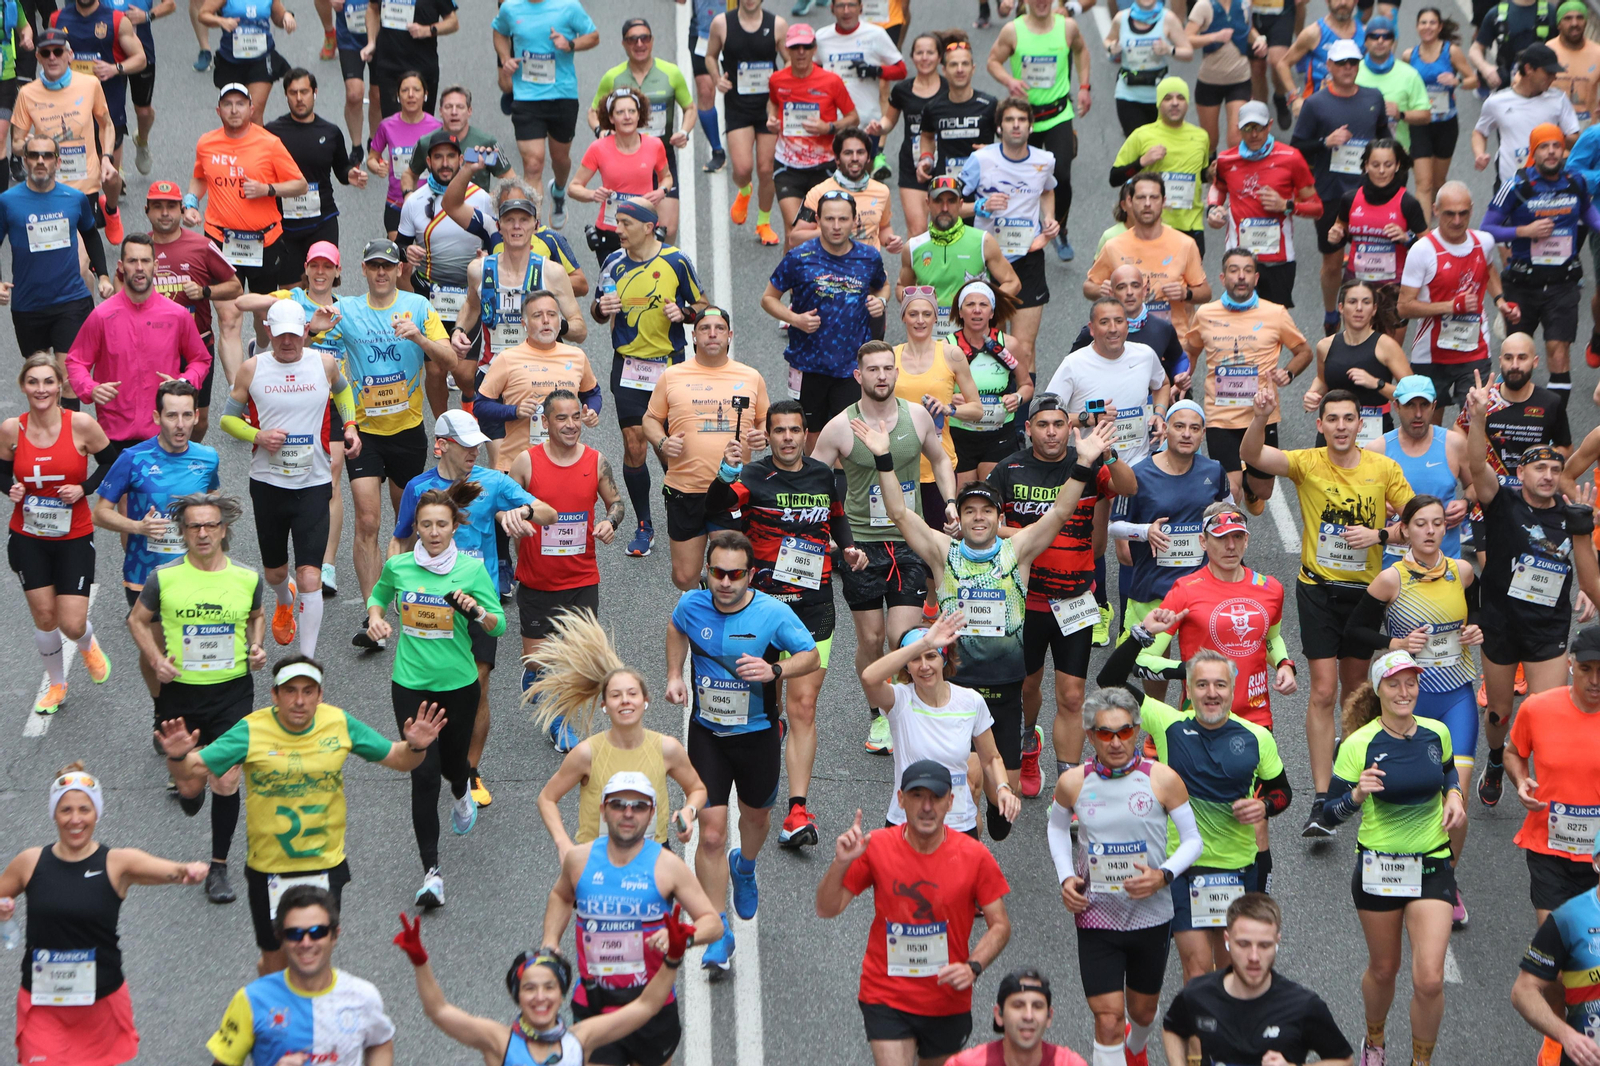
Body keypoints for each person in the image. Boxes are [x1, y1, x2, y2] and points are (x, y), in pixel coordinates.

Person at [864, 417, 1118, 818]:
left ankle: (982, 821)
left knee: (1005, 807)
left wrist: (1084, 463)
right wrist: (883, 457)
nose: (978, 518)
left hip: (1004, 687)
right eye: (970, 512)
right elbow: (899, 512)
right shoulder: (942, 552)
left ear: (998, 518)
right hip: (955, 686)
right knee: (967, 781)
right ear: (960, 519)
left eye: (986, 511)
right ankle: (965, 840)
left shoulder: (1016, 551)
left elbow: (1058, 514)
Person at [161, 655, 443, 975]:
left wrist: (416, 747)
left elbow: (397, 758)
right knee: (275, 961)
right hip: (268, 870)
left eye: (308, 691)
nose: (299, 700)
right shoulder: (251, 730)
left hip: (325, 864)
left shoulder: (338, 723)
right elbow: (190, 771)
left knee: (314, 961)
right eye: (290, 691)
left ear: (320, 696)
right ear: (274, 695)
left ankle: (306, 1019)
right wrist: (178, 755)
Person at [1241, 387, 1414, 834]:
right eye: (1331, 419)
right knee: (1322, 689)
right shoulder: (1307, 462)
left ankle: (1350, 776)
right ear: (1320, 425)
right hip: (1317, 589)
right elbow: (1253, 454)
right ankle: (1322, 798)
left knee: (1356, 691)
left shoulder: (1384, 468)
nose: (1340, 426)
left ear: (1361, 424)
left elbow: (1414, 523)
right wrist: (1260, 416)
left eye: (1348, 419)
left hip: (1364, 595)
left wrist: (1378, 536)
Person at [665, 529, 820, 970]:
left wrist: (775, 669)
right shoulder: (690, 606)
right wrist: (675, 675)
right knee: (711, 833)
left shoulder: (772, 614)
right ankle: (716, 929)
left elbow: (809, 655)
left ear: (750, 574)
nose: (726, 582)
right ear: (707, 573)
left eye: (735, 574)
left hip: (757, 735)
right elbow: (676, 630)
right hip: (707, 734)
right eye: (717, 573)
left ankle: (745, 866)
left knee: (756, 819)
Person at [708, 399, 861, 846]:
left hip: (813, 606)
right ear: (769, 435)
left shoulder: (824, 475)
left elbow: (836, 516)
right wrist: (726, 472)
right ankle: (769, 723)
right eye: (780, 431)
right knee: (769, 699)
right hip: (763, 609)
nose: (789, 438)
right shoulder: (753, 477)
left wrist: (847, 548)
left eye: (796, 430)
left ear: (805, 434)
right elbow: (717, 512)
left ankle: (797, 810)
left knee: (804, 706)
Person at [0, 764, 207, 1066]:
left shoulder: (116, 863)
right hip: (43, 1004)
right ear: (54, 814)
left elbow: (168, 871)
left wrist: (186, 870)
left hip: (100, 1002)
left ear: (96, 813)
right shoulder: (29, 862)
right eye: (65, 810)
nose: (75, 819)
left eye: (84, 809)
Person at [391, 410, 549, 804]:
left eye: (478, 444)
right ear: (441, 444)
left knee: (477, 687)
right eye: (466, 445)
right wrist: (393, 590)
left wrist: (522, 511)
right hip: (429, 601)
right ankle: (433, 753)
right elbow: (400, 540)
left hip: (477, 603)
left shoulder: (493, 481)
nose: (475, 451)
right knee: (431, 687)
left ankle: (470, 769)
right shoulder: (418, 487)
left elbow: (549, 512)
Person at [1317, 650, 1465, 1066]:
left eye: (1411, 683)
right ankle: (1375, 1042)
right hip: (1379, 868)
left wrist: (1454, 794)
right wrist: (1356, 795)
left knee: (1430, 979)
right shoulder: (1358, 744)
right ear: (1378, 690)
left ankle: (1421, 1061)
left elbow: (1449, 771)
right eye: (1394, 684)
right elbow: (1329, 813)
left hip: (1433, 862)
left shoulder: (1437, 732)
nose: (1405, 692)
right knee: (1384, 970)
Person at [810, 341, 955, 756]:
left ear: (895, 372)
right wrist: (834, 542)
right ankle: (880, 716)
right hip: (861, 545)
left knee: (903, 636)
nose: (881, 376)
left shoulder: (916, 416)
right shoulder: (840, 427)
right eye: (872, 369)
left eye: (888, 369)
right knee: (872, 640)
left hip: (909, 539)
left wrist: (948, 502)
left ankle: (910, 711)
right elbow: (817, 481)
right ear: (859, 376)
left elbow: (941, 460)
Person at [817, 762, 1012, 1065]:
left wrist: (973, 966)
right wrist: (840, 863)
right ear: (900, 799)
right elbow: (827, 908)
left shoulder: (974, 856)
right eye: (916, 795)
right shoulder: (877, 845)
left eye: (935, 797)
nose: (925, 807)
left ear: (950, 801)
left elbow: (1000, 925)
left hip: (947, 999)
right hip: (885, 994)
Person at [1345, 494, 1482, 926]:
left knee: (1456, 796)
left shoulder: (1461, 571)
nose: (1428, 531)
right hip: (1409, 703)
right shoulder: (1392, 579)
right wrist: (1396, 644)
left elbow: (1476, 612)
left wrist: (1475, 629)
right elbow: (1354, 631)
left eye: (1437, 523)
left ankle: (1447, 880)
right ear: (1404, 529)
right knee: (1410, 791)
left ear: (1446, 529)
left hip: (1456, 694)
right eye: (1420, 523)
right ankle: (1398, 864)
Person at [1465, 373, 1600, 811]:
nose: (1548, 475)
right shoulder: (1501, 500)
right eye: (1538, 468)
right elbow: (1476, 467)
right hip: (1501, 623)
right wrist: (1478, 419)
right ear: (1520, 472)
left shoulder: (1569, 514)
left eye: (1555, 469)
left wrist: (1585, 530)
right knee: (1499, 713)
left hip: (1548, 630)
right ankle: (1496, 758)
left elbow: (1590, 581)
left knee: (1547, 712)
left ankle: (1546, 785)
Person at [366, 481, 503, 907]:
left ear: (454, 526)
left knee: (452, 766)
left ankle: (462, 791)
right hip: (409, 683)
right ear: (417, 528)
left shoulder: (470, 572)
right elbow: (379, 595)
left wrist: (477, 611)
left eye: (441, 524)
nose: (434, 532)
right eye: (425, 525)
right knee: (423, 774)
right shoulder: (400, 566)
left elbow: (496, 623)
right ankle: (432, 873)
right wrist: (375, 619)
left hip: (459, 686)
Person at [125, 491, 266, 904]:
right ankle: (189, 786)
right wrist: (155, 660)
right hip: (181, 695)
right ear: (183, 533)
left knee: (226, 777)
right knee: (190, 788)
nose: (203, 533)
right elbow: (136, 620)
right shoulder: (164, 578)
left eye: (210, 525)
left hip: (232, 692)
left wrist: (257, 648)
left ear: (224, 531)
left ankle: (219, 867)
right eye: (194, 526)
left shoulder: (247, 577)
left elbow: (256, 616)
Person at [988, 398, 1136, 790]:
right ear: (1029, 429)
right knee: (1028, 687)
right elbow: (984, 523)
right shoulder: (1010, 469)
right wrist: (1027, 535)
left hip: (1075, 600)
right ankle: (1028, 738)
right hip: (1025, 599)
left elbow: (1129, 486)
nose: (1051, 431)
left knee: (1072, 696)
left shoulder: (1088, 463)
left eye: (1058, 424)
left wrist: (1108, 452)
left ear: (1068, 429)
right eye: (1042, 424)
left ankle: (1068, 788)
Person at [1047, 688, 1200, 1066]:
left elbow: (1194, 842)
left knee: (1142, 1013)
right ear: (1090, 736)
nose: (1116, 742)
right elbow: (1054, 829)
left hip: (1152, 912)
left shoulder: (1163, 779)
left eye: (1124, 731)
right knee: (1109, 1018)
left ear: (1137, 731)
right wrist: (1066, 878)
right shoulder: (1073, 783)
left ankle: (1136, 1046)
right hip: (1096, 913)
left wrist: (1163, 876)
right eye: (1104, 733)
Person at [316, 237, 455, 650]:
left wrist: (420, 339)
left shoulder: (419, 307)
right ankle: (371, 612)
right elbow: (302, 351)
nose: (381, 272)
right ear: (363, 270)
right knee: (368, 521)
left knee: (407, 521)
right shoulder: (347, 311)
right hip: (364, 433)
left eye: (387, 266)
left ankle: (403, 587)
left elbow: (448, 361)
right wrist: (311, 330)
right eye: (373, 266)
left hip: (407, 430)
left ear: (398, 270)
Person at [541, 772, 723, 1066]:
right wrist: (550, 942)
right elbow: (562, 896)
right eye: (618, 804)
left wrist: (684, 937)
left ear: (651, 813)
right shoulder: (579, 859)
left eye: (639, 806)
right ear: (603, 809)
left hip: (651, 1003)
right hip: (595, 1002)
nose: (628, 813)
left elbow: (712, 922)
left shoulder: (668, 866)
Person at [393, 903, 695, 1065]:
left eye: (549, 987)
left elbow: (647, 1005)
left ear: (561, 994)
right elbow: (439, 1011)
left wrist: (673, 958)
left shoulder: (580, 1039)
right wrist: (420, 962)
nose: (540, 997)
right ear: (517, 995)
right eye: (529, 988)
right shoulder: (499, 1042)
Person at [530, 611, 704, 855]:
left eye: (632, 694)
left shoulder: (667, 748)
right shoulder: (586, 754)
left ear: (645, 700)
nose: (625, 701)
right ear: (604, 705)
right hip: (598, 861)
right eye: (615, 695)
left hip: (652, 860)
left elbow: (697, 789)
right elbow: (546, 799)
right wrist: (564, 845)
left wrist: (690, 811)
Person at [591, 198, 706, 559]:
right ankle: (644, 524)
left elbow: (704, 305)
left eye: (624, 223)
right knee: (635, 443)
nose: (618, 230)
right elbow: (597, 309)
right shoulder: (613, 263)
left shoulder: (676, 261)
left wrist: (685, 312)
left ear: (647, 226)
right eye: (617, 223)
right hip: (627, 366)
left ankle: (681, 511)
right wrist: (600, 309)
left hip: (669, 367)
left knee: (668, 447)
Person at [91, 379, 219, 696]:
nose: (180, 425)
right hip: (144, 574)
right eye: (172, 416)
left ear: (195, 417)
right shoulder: (132, 459)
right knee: (158, 654)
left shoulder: (207, 458)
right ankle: (162, 710)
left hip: (195, 571)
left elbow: (212, 505)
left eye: (187, 416)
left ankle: (189, 713)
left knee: (195, 649)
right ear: (156, 417)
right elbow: (100, 513)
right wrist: (138, 527)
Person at [512, 389, 622, 749]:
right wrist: (514, 522)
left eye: (576, 417)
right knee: (536, 664)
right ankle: (537, 681)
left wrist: (611, 522)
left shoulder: (595, 461)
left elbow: (616, 502)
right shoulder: (526, 463)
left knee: (575, 662)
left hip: (581, 578)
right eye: (561, 418)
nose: (571, 425)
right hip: (536, 581)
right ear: (545, 422)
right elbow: (505, 506)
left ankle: (560, 724)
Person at [3, 353, 110, 717]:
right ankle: (57, 684)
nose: (41, 389)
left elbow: (112, 462)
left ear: (59, 385)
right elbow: (1, 470)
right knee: (45, 616)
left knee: (72, 622)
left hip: (74, 535)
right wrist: (10, 489)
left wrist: (85, 488)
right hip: (28, 535)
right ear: (23, 386)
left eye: (48, 381)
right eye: (33, 382)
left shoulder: (80, 424)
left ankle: (86, 642)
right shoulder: (10, 429)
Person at [1133, 507, 1296, 733]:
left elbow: (1271, 637)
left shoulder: (1271, 588)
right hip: (1201, 719)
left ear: (1246, 540)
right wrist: (1189, 670)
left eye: (1237, 537)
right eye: (1221, 538)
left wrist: (1284, 664)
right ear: (1203, 541)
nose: (1231, 546)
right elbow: (1142, 659)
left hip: (1256, 720)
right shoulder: (1184, 591)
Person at [857, 608, 1017, 838]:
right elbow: (869, 678)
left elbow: (991, 758)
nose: (924, 666)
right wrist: (924, 643)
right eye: (915, 660)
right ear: (906, 667)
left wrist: (1003, 788)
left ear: (944, 659)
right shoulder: (899, 699)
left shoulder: (970, 701)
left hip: (958, 824)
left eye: (931, 656)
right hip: (906, 822)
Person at [187, 82, 309, 381]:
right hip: (219, 239)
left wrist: (267, 189)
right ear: (218, 110)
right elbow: (199, 177)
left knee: (263, 313)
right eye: (227, 104)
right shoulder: (207, 143)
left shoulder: (269, 144)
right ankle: (237, 391)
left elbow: (300, 184)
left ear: (251, 109)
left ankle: (260, 347)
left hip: (263, 240)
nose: (233, 110)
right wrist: (190, 202)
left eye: (240, 104)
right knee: (228, 319)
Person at [1109, 401, 1230, 703]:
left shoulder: (1213, 471)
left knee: (1202, 663)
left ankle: (1194, 722)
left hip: (1201, 585)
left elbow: (1230, 514)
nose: (1186, 434)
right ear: (1165, 430)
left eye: (1194, 428)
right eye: (1179, 426)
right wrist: (1144, 531)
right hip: (1153, 583)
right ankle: (1155, 727)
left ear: (1203, 434)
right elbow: (1114, 525)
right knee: (1147, 661)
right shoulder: (1139, 473)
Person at [643, 306, 770, 592]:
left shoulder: (751, 377)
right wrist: (662, 441)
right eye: (705, 328)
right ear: (695, 336)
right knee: (684, 578)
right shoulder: (672, 376)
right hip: (685, 489)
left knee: (730, 569)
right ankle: (702, 596)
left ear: (730, 336)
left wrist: (763, 435)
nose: (712, 334)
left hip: (732, 490)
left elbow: (766, 420)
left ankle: (717, 627)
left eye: (720, 329)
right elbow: (650, 419)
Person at [65, 235, 213, 474]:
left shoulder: (177, 315)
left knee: (162, 504)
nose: (139, 267)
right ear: (121, 267)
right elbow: (75, 361)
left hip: (162, 431)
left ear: (156, 266)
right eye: (132, 261)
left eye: (145, 261)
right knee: (121, 507)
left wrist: (185, 382)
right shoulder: (102, 316)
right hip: (114, 432)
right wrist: (90, 388)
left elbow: (201, 359)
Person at [448, 170, 588, 420]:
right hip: (492, 372)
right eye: (509, 220)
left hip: (540, 375)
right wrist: (458, 331)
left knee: (536, 453)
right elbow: (471, 307)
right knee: (500, 457)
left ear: (535, 225)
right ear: (499, 225)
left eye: (523, 220)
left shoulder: (552, 272)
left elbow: (580, 330)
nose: (516, 226)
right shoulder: (479, 269)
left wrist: (555, 324)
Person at [1482, 122, 1600, 414]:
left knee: (1558, 354)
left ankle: (1555, 425)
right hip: (1522, 283)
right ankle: (1513, 422)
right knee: (1517, 358)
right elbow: (1487, 229)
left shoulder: (1576, 181)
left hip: (1563, 283)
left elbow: (1589, 214)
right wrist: (1525, 231)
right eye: (1544, 147)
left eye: (1556, 146)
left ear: (1564, 150)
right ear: (1534, 151)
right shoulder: (1517, 184)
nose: (1551, 152)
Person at [205, 884, 395, 1065]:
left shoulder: (363, 996)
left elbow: (380, 1042)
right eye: (295, 934)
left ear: (335, 935)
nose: (306, 943)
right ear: (281, 938)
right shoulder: (251, 1000)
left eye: (317, 932)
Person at [764, 178, 890, 450]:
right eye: (829, 219)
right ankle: (819, 488)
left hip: (852, 366)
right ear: (817, 219)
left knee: (850, 436)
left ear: (854, 221)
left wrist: (880, 301)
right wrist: (794, 319)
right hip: (809, 364)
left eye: (843, 219)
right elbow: (768, 299)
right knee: (812, 438)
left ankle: (843, 492)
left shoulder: (869, 257)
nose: (836, 226)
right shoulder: (799, 257)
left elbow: (883, 286)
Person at [1184, 248, 1313, 510]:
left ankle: (1249, 481)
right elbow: (1191, 350)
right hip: (1220, 416)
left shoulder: (1275, 313)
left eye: (1247, 271)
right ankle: (1231, 546)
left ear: (1256, 278)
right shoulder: (1206, 314)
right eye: (1234, 270)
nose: (1240, 277)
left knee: (1263, 490)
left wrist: (1287, 372)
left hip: (1262, 415)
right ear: (1222, 278)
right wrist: (1183, 376)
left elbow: (1304, 351)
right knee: (1229, 491)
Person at [1161, 893, 1356, 1066]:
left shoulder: (1303, 1005)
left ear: (1277, 942)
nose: (1254, 957)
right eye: (1244, 944)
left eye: (1264, 945)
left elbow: (1343, 1060)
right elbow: (1173, 1029)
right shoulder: (1199, 994)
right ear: (1227, 940)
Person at [1289, 38, 1393, 334]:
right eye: (1342, 63)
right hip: (1331, 192)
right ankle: (1331, 311)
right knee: (1333, 262)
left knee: (1370, 258)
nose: (1348, 68)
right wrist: (1325, 142)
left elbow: (1385, 138)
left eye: (1353, 63)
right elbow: (1297, 147)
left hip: (1369, 193)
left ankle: (1372, 315)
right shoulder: (1315, 103)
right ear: (1330, 66)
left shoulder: (1374, 96)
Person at [397, 129, 495, 416]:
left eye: (450, 157)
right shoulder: (414, 201)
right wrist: (407, 253)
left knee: (465, 373)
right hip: (431, 292)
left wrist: (488, 256)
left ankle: (468, 397)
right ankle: (443, 428)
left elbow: (496, 242)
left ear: (461, 159)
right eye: (437, 157)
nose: (444, 163)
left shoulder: (482, 199)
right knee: (436, 370)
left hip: (472, 294)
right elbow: (400, 247)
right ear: (428, 161)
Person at [986, 0, 1091, 262]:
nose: (1042, 3)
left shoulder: (1067, 27)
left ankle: (1058, 227)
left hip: (1058, 114)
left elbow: (1082, 51)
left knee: (1063, 176)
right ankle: (1017, 233)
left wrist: (1085, 87)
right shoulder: (1013, 30)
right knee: (1018, 178)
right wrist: (1008, 80)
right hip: (1024, 117)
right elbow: (992, 61)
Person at [962, 98, 1056, 383]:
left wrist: (1048, 223)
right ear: (1000, 127)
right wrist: (981, 206)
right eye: (1010, 120)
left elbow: (1048, 191)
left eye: (1022, 120)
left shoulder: (1045, 160)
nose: (1016, 125)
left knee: (1024, 347)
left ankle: (1022, 419)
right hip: (989, 259)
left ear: (1030, 126)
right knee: (989, 343)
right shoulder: (980, 160)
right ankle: (990, 409)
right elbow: (953, 205)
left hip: (1027, 258)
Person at [0, 131, 111, 370]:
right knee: (40, 381)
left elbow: (91, 233)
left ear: (58, 162)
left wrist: (102, 274)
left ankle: (69, 408)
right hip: (28, 304)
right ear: (25, 160)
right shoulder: (7, 201)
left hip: (70, 300)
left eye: (47, 155)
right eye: (34, 155)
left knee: (69, 379)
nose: (41, 161)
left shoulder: (74, 198)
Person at [1396, 182, 1508, 420]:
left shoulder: (1484, 242)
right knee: (1428, 425)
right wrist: (1451, 306)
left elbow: (1488, 271)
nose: (1457, 220)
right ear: (1436, 210)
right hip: (1431, 354)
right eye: (1449, 213)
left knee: (1476, 419)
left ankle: (1467, 459)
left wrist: (1499, 300)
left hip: (1475, 350)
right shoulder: (1422, 250)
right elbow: (1404, 306)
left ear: (1471, 209)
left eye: (1463, 213)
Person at [145, 179, 242, 442]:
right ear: (147, 211)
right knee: (155, 416)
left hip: (196, 346)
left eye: (171, 207)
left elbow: (235, 287)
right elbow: (122, 287)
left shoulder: (201, 245)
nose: (165, 213)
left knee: (197, 420)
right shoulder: (140, 249)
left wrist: (205, 292)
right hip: (153, 348)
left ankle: (187, 455)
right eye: (158, 207)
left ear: (181, 211)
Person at [1206, 99, 1323, 310]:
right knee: (1239, 320)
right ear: (1238, 129)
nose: (1254, 134)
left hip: (1279, 260)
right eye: (1248, 128)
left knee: (1273, 327)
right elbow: (1218, 188)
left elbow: (1317, 208)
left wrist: (1287, 205)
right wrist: (1213, 208)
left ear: (1269, 125)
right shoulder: (1226, 160)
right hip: (1239, 259)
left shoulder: (1291, 158)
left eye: (1259, 128)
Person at [588, 19, 696, 242]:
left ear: (652, 41)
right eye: (632, 39)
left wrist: (684, 132)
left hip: (661, 154)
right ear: (624, 44)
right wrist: (600, 131)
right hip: (627, 156)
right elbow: (592, 111)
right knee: (629, 230)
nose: (639, 44)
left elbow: (690, 108)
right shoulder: (613, 76)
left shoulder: (671, 73)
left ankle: (661, 270)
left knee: (666, 229)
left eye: (644, 38)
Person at [472, 287, 598, 477]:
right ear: (524, 323)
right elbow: (480, 406)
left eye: (552, 314)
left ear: (559, 320)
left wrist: (593, 410)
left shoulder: (577, 356)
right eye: (538, 315)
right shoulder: (507, 359)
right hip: (519, 464)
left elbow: (592, 392)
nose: (546, 321)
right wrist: (514, 411)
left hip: (565, 460)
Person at [9, 28, 120, 242]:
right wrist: (29, 146)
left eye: (58, 51)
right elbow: (15, 143)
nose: (52, 57)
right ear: (38, 57)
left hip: (85, 178)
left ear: (70, 55)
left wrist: (106, 158)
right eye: (46, 53)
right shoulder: (27, 93)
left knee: (82, 247)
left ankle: (111, 210)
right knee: (56, 243)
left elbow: (106, 124)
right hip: (50, 179)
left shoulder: (89, 84)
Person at [490, 0, 596, 222]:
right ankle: (533, 229)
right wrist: (504, 58)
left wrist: (570, 44)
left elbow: (593, 36)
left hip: (562, 95)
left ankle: (558, 190)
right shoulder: (511, 7)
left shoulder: (568, 6)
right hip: (526, 97)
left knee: (560, 158)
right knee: (533, 164)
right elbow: (499, 31)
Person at [267, 68, 367, 293]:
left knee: (321, 286)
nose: (299, 98)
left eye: (304, 91)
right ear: (286, 96)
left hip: (322, 221)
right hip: (285, 225)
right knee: (290, 292)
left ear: (315, 93)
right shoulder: (272, 132)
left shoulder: (330, 132)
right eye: (293, 93)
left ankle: (319, 329)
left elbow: (341, 169)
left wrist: (350, 173)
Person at [1045, 296, 1172, 467]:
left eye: (1119, 321)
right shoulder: (1073, 364)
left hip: (1138, 464)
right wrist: (1087, 418)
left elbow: (1162, 384)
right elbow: (1047, 413)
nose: (1113, 329)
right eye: (1104, 322)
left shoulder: (1145, 355)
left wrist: (1159, 413)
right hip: (1092, 466)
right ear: (1091, 328)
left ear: (1127, 325)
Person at [893, 287, 983, 526]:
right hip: (897, 466)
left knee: (939, 542)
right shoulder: (890, 357)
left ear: (935, 317)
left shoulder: (951, 355)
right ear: (903, 317)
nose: (920, 320)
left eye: (926, 313)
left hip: (937, 466)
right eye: (913, 314)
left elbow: (977, 410)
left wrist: (949, 409)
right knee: (898, 542)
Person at [1322, 142, 1427, 347]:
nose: (1381, 171)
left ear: (1397, 166)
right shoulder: (1350, 200)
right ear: (1365, 166)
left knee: (1388, 353)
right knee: (1357, 349)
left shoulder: (1408, 203)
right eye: (1375, 164)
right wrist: (1335, 236)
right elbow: (1339, 231)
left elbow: (1429, 246)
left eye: (1388, 165)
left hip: (1393, 287)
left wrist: (1408, 238)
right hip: (1357, 284)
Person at [1084, 172, 1211, 335]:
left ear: (1163, 202)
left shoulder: (1185, 244)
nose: (1147, 204)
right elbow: (1089, 286)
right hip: (1126, 344)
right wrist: (1101, 290)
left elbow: (1205, 292)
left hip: (1173, 342)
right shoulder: (1113, 246)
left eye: (1154, 197)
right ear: (1130, 201)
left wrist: (1186, 293)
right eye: (1141, 198)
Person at [765, 21, 858, 243]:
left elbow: (853, 117)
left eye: (806, 47)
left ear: (814, 49)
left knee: (818, 231)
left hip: (823, 167)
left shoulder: (831, 81)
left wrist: (829, 127)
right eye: (795, 47)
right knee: (794, 232)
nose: (801, 52)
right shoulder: (777, 79)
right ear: (786, 49)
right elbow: (774, 103)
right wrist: (772, 119)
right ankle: (787, 278)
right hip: (788, 166)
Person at [1513, 832, 1600, 1066]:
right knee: (1557, 977)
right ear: (1597, 862)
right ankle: (1554, 1040)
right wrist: (1565, 1035)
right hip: (1588, 1054)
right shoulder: (1569, 919)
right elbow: (1523, 991)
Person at [706, 0, 788, 245]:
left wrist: (784, 85)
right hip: (738, 106)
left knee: (766, 169)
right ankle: (744, 191)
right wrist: (717, 79)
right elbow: (710, 56)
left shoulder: (778, 25)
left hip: (769, 106)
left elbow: (790, 60)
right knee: (742, 169)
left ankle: (763, 222)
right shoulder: (722, 23)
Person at [1365, 375, 1469, 564]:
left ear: (1434, 406)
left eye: (1424, 405)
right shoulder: (1376, 450)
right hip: (1393, 566)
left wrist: (1466, 503)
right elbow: (1360, 503)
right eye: (1410, 405)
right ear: (1397, 407)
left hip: (1444, 563)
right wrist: (1378, 505)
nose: (1418, 413)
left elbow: (1475, 485)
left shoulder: (1454, 444)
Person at [901, 176, 1021, 337]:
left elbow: (1012, 282)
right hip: (931, 340)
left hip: (975, 338)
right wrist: (917, 306)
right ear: (928, 203)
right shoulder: (913, 246)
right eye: (938, 201)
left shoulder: (982, 241)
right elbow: (902, 287)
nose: (945, 208)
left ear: (960, 204)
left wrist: (986, 307)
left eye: (951, 201)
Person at [1301, 280, 1415, 447]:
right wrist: (1311, 394)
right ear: (1341, 307)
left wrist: (1377, 383)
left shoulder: (1386, 346)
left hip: (1374, 434)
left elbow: (1412, 394)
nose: (1359, 308)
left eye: (1366, 302)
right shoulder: (1325, 346)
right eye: (1352, 302)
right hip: (1335, 430)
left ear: (1374, 309)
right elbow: (1322, 380)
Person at [568, 87, 671, 267]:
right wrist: (593, 194)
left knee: (645, 288)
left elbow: (667, 178)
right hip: (611, 230)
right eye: (620, 112)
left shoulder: (654, 145)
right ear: (610, 118)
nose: (627, 116)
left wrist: (661, 191)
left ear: (640, 115)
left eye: (632, 111)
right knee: (612, 291)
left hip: (645, 229)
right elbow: (573, 188)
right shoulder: (598, 148)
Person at [945, 280, 1029, 484]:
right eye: (970, 305)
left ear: (992, 313)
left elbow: (1027, 384)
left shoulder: (1008, 344)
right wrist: (948, 398)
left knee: (990, 498)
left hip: (999, 433)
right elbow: (932, 389)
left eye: (983, 305)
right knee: (961, 501)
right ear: (960, 312)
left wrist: (1017, 397)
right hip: (959, 434)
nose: (976, 311)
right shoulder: (947, 347)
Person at [1110, 78, 1209, 250]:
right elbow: (1115, 177)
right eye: (1168, 98)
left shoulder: (1201, 137)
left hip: (1191, 227)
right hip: (1153, 226)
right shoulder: (1142, 135)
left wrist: (1211, 174)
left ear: (1187, 103)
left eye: (1180, 98)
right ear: (1158, 103)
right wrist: (1141, 162)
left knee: (1191, 278)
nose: (1175, 103)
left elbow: (1200, 175)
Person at [1404, 9, 1478, 221]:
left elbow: (1473, 79)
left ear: (1439, 27)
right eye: (1423, 23)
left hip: (1445, 124)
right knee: (1423, 184)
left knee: (1437, 182)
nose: (1427, 27)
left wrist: (1458, 82)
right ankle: (1423, 234)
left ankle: (1437, 218)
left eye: (1432, 23)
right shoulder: (1409, 55)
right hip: (1419, 123)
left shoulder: (1451, 52)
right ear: (1417, 26)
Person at [1473, 44, 1580, 189]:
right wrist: (1479, 154)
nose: (1554, 77)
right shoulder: (1496, 102)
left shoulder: (1559, 99)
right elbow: (1480, 132)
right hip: (1509, 184)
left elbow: (1574, 139)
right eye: (1548, 72)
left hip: (1548, 183)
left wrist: (1551, 138)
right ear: (1529, 69)